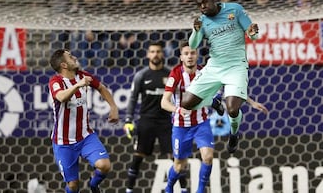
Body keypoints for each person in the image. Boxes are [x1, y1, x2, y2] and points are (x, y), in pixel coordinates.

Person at [161, 41, 268, 193]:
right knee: (179, 165)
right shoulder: (176, 74)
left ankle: (200, 191)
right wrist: (177, 109)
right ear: (181, 57)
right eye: (186, 54)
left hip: (201, 123)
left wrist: (251, 102)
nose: (190, 56)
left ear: (197, 55)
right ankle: (169, 187)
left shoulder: (205, 72)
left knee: (208, 157)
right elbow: (164, 102)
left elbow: (230, 87)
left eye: (192, 53)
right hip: (181, 125)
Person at [181, 0, 261, 154]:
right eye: (199, 5)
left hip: (236, 66)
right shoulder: (201, 21)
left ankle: (234, 133)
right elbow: (193, 45)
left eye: (205, 2)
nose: (203, 6)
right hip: (214, 66)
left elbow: (252, 34)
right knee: (186, 103)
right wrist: (196, 31)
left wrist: (253, 33)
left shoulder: (234, 9)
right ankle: (214, 102)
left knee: (232, 109)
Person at [48, 49, 119, 193]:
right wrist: (77, 86)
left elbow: (100, 87)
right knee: (73, 185)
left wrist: (113, 107)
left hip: (86, 136)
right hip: (64, 142)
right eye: (70, 56)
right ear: (64, 65)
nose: (74, 57)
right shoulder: (56, 81)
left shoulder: (83, 75)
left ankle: (94, 185)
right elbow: (61, 97)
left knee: (104, 165)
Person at [123, 41, 188, 193]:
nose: (155, 54)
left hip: (166, 122)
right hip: (146, 121)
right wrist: (128, 120)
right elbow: (132, 99)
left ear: (162, 54)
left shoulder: (170, 74)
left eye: (158, 51)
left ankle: (184, 189)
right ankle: (129, 189)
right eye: (152, 51)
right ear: (147, 54)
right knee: (138, 155)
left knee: (176, 157)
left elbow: (179, 96)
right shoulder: (141, 75)